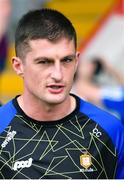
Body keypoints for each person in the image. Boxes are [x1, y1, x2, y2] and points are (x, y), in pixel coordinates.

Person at [0, 9, 124, 179]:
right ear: (18, 66)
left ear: (77, 61)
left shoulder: (110, 129)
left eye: (66, 60)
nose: (58, 74)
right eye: (44, 62)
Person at [73, 57, 124, 123]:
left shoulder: (97, 86)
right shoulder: (82, 92)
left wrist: (109, 67)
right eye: (82, 64)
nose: (88, 64)